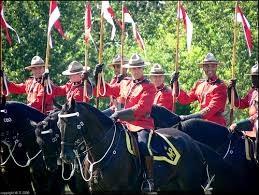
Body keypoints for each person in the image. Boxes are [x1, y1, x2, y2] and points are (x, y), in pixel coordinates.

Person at [94, 53, 156, 192]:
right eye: (133, 68)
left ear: (142, 69)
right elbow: (106, 90)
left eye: (138, 68)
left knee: (143, 144)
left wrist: (119, 114)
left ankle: (148, 178)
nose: (135, 71)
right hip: (122, 123)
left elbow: (141, 108)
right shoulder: (124, 82)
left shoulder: (149, 87)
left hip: (140, 124)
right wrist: (98, 77)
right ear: (129, 69)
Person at [171, 52, 228, 126]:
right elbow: (185, 99)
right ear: (203, 68)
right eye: (207, 66)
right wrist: (175, 83)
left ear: (216, 67)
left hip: (216, 124)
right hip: (201, 122)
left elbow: (209, 110)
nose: (210, 68)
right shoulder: (199, 84)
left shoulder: (221, 87)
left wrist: (186, 118)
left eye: (213, 66)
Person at [228, 62, 258, 138]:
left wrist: (238, 124)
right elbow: (239, 104)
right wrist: (232, 89)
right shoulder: (252, 92)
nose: (253, 80)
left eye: (256, 77)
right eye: (252, 77)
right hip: (252, 127)